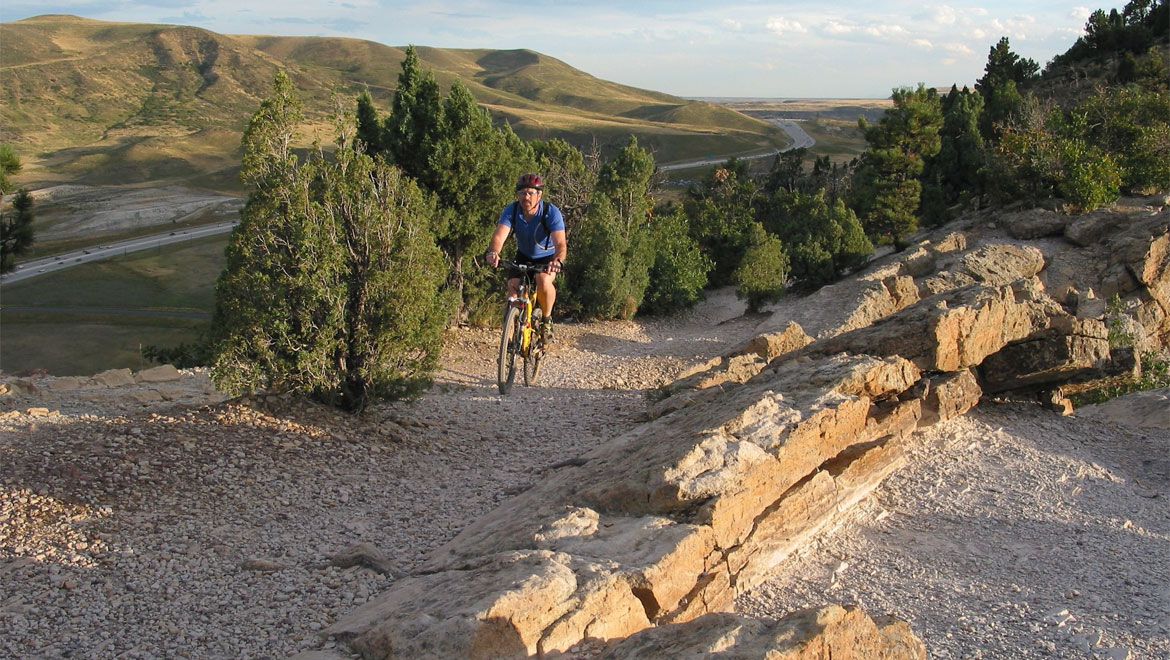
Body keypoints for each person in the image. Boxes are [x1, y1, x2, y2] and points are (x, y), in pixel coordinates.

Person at [484, 173, 567, 342]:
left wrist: (557, 261)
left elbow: (561, 244)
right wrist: (494, 253)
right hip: (523, 255)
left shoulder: (550, 212)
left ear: (539, 195)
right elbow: (499, 236)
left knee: (543, 280)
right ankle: (511, 339)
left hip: (547, 258)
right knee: (513, 287)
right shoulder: (512, 210)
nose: (526, 197)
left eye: (530, 193)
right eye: (522, 193)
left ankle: (546, 320)